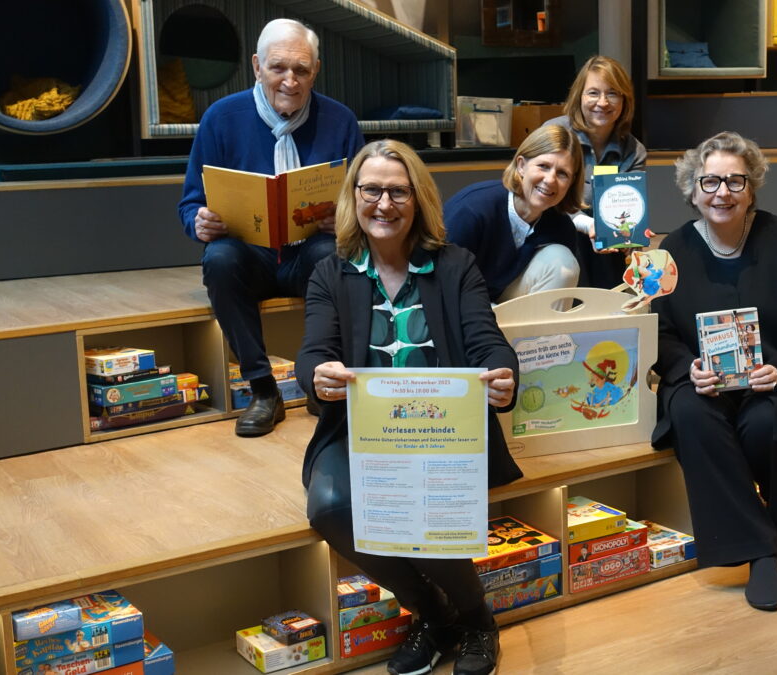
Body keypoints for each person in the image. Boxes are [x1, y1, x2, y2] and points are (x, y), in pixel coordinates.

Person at [297, 139, 522, 675]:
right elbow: (313, 351)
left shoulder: (456, 266)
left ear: (418, 199)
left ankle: (478, 621)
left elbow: (487, 340)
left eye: (398, 192)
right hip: (360, 431)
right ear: (354, 196)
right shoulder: (331, 271)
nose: (384, 204)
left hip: (443, 432)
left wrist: (503, 373)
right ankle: (437, 614)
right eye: (371, 190)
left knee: (425, 501)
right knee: (329, 506)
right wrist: (318, 377)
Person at [651, 131, 777, 611]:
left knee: (768, 423)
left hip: (773, 379)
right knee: (689, 414)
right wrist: (686, 367)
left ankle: (766, 544)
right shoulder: (673, 250)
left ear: (751, 189)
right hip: (704, 384)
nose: (723, 193)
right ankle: (766, 549)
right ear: (693, 189)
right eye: (710, 181)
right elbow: (659, 333)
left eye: (736, 181)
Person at [178, 18, 365, 437]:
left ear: (316, 71)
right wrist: (199, 221)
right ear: (257, 66)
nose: (290, 81)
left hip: (310, 254)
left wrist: (346, 219)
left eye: (301, 70)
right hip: (250, 255)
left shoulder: (340, 121)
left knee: (334, 254)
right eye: (278, 68)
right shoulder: (221, 118)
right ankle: (263, 390)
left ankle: (321, 380)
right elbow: (190, 203)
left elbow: (366, 198)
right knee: (219, 258)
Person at [443, 124, 585, 306]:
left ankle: (545, 327)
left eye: (562, 173)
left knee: (563, 264)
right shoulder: (471, 210)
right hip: (459, 303)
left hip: (506, 303)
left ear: (571, 182)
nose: (550, 180)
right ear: (521, 165)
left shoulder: (561, 227)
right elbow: (442, 284)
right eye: (543, 166)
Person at [544, 55, 648, 289]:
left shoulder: (634, 151)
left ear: (624, 100)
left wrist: (633, 235)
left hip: (604, 249)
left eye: (612, 93)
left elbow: (627, 210)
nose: (603, 102)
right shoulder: (555, 134)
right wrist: (585, 223)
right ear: (579, 96)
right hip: (554, 237)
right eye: (593, 93)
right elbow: (541, 198)